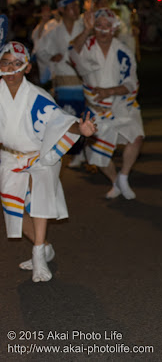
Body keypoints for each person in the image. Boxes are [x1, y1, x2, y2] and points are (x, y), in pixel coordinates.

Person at [0, 41, 96, 282]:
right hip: (9, 157)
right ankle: (45, 246)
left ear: (27, 68)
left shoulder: (36, 96)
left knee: (40, 197)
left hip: (39, 156)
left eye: (17, 64)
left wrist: (80, 128)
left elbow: (59, 121)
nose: (11, 69)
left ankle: (38, 254)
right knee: (14, 209)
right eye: (6, 62)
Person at [70, 8, 145, 200]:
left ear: (114, 29)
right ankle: (115, 181)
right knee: (97, 156)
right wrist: (86, 30)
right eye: (99, 25)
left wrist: (109, 91)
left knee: (136, 137)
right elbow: (72, 52)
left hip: (121, 105)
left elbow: (130, 82)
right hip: (96, 109)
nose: (103, 29)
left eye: (107, 26)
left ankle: (124, 175)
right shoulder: (87, 45)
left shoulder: (123, 51)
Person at [36, 0, 87, 167]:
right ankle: (77, 152)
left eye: (76, 5)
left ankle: (87, 150)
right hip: (65, 82)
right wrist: (51, 57)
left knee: (86, 116)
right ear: (62, 9)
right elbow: (40, 50)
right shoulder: (54, 31)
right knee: (69, 117)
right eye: (71, 6)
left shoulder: (84, 26)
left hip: (85, 80)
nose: (75, 8)